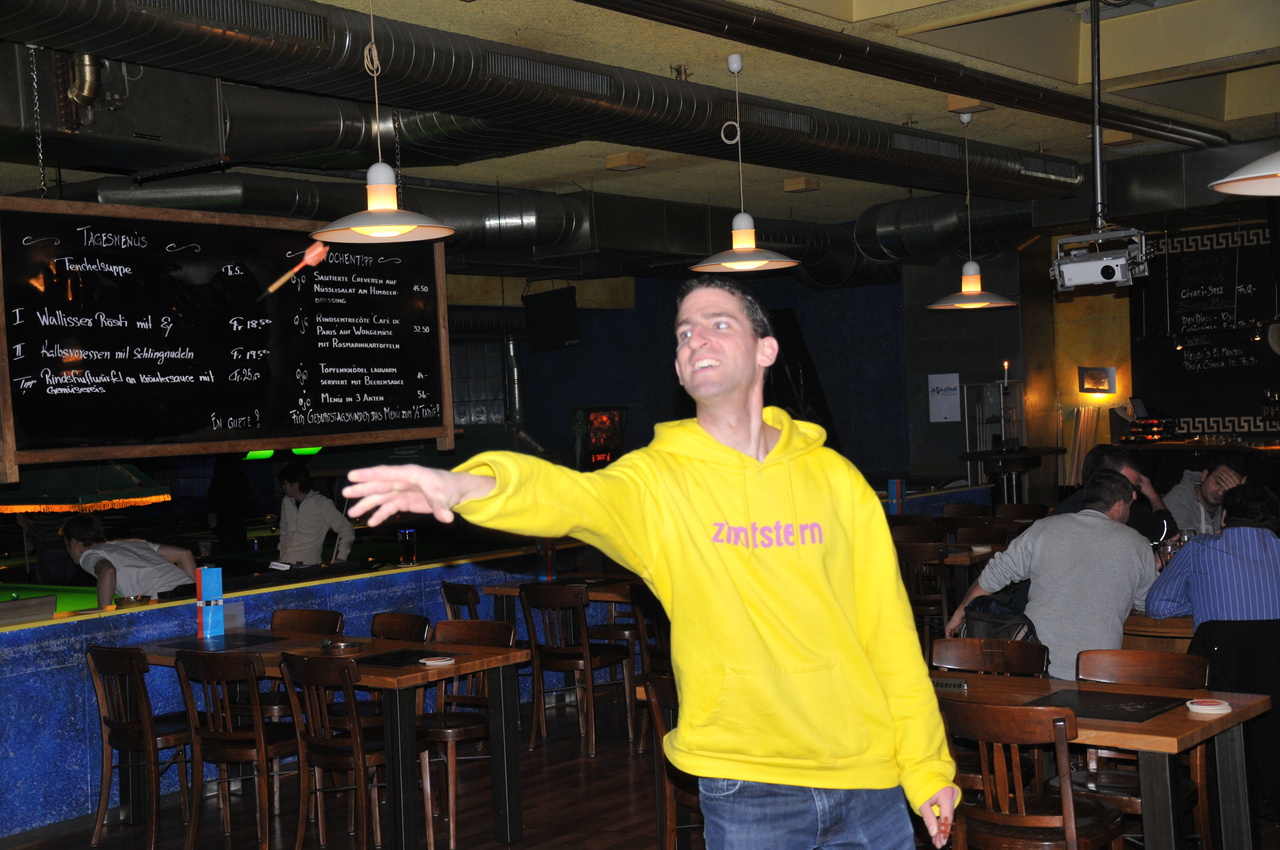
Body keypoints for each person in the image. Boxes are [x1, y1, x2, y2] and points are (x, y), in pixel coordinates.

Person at [341, 277, 959, 850]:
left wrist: (927, 767)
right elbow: (570, 498)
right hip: (748, 783)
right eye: (684, 333)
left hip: (870, 779)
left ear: (766, 350)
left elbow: (888, 633)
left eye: (718, 324)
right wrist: (466, 486)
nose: (696, 339)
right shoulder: (656, 482)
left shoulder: (836, 479)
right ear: (679, 367)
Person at [947, 469, 1158, 679]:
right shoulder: (1137, 544)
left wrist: (960, 612)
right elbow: (1149, 603)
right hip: (1098, 670)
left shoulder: (1043, 527)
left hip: (1034, 662)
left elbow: (995, 573)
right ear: (1120, 505)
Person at [1146, 482, 1280, 629]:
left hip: (1220, 643)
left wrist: (1203, 602)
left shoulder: (1198, 547)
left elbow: (1158, 607)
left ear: (1224, 516)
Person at [62, 514, 197, 608]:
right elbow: (184, 554)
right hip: (193, 594)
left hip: (164, 601)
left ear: (73, 543)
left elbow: (107, 570)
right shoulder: (132, 543)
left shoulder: (88, 555)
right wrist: (196, 592)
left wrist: (103, 614)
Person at [1054, 443, 1175, 544]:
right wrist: (1153, 496)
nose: (1134, 496)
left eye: (1136, 487)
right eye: (1130, 486)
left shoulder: (1061, 512)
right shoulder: (1122, 513)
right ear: (1106, 479)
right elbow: (1166, 539)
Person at [276, 462, 354, 565]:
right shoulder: (287, 501)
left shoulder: (321, 503)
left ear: (295, 485)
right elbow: (284, 532)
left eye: (285, 484)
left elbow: (346, 528)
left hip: (308, 566)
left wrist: (342, 557)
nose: (283, 487)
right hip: (284, 563)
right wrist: (281, 556)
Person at [1162, 454, 1247, 536]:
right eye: (1217, 483)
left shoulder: (1229, 504)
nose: (1220, 492)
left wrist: (1236, 499)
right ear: (1204, 475)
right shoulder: (1176, 500)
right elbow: (1187, 543)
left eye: (1227, 488)